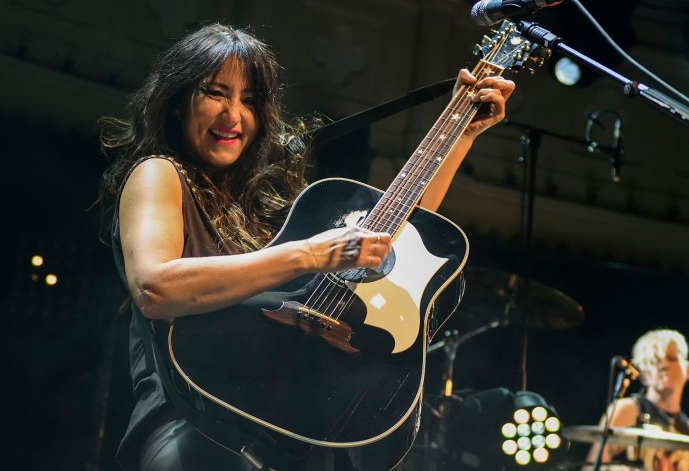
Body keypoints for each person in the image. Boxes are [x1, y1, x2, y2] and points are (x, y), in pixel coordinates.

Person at [98, 23, 514, 471]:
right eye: (216, 93)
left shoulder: (267, 205)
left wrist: (461, 134)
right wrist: (311, 254)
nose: (233, 115)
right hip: (193, 423)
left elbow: (388, 237)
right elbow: (156, 289)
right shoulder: (159, 172)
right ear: (179, 102)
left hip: (291, 432)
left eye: (250, 101)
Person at [585, 329, 689, 471]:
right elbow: (591, 468)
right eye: (654, 361)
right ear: (643, 375)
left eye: (672, 358)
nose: (664, 366)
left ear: (688, 370)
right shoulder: (626, 410)